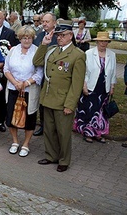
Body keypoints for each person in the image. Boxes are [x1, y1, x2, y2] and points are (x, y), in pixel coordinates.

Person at [33, 20, 86, 172]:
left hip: (63, 100)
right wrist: (44, 44)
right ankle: (51, 156)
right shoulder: (52, 50)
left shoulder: (77, 55)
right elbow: (36, 61)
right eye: (58, 35)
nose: (59, 38)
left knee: (63, 133)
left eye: (62, 35)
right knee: (48, 130)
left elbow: (77, 84)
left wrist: (70, 104)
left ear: (70, 35)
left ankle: (64, 160)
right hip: (48, 97)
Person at [4, 26, 43, 157]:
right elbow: (6, 69)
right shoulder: (13, 50)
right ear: (20, 38)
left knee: (29, 118)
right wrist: (15, 83)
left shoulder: (37, 51)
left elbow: (39, 73)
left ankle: (26, 144)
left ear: (33, 38)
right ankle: (15, 142)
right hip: (13, 88)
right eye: (24, 38)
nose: (27, 41)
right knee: (10, 117)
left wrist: (25, 83)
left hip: (29, 90)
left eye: (29, 38)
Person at [73, 31, 116, 143]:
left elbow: (114, 72)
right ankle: (88, 133)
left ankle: (98, 133)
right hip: (91, 86)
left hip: (104, 87)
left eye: (105, 41)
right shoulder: (88, 53)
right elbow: (84, 72)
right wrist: (84, 85)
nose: (103, 43)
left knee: (101, 112)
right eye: (101, 41)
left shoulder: (112, 54)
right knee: (89, 110)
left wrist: (112, 86)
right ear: (97, 41)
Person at [0, 10, 19, 133]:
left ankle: (1, 121)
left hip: (4, 71)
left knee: (2, 97)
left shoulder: (10, 33)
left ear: (3, 19)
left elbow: (13, 51)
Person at [33, 12, 58, 136]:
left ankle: (53, 127)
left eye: (47, 21)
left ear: (54, 22)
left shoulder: (59, 36)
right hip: (40, 71)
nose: (44, 24)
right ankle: (43, 125)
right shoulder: (40, 35)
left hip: (55, 74)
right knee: (42, 100)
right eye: (43, 21)